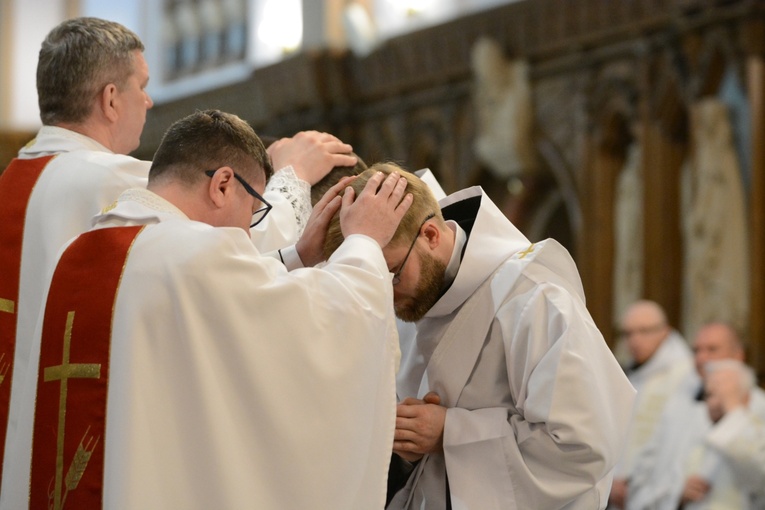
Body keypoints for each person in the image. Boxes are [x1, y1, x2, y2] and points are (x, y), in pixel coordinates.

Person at [0, 16, 356, 490]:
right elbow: (232, 261)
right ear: (110, 99)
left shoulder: (10, 182)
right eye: (141, 86)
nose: (147, 100)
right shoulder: (118, 183)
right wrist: (291, 175)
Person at [0, 109, 413, 509]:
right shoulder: (195, 254)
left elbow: (210, 298)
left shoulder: (81, 253)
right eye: (254, 211)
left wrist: (293, 257)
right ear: (222, 184)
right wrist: (365, 243)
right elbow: (330, 320)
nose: (248, 231)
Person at [323, 162, 636, 509]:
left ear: (430, 235)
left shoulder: (534, 297)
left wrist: (451, 432)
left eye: (393, 274)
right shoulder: (412, 297)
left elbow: (583, 445)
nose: (387, 294)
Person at [626, 322, 765, 509]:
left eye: (712, 349)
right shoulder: (677, 406)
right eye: (697, 350)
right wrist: (677, 493)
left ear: (738, 355)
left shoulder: (759, 406)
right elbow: (645, 477)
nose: (701, 358)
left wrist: (732, 409)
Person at [608, 300, 699, 509]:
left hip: (661, 490)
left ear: (665, 331)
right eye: (628, 333)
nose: (634, 340)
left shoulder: (687, 377)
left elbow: (677, 442)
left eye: (644, 331)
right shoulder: (630, 374)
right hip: (618, 491)